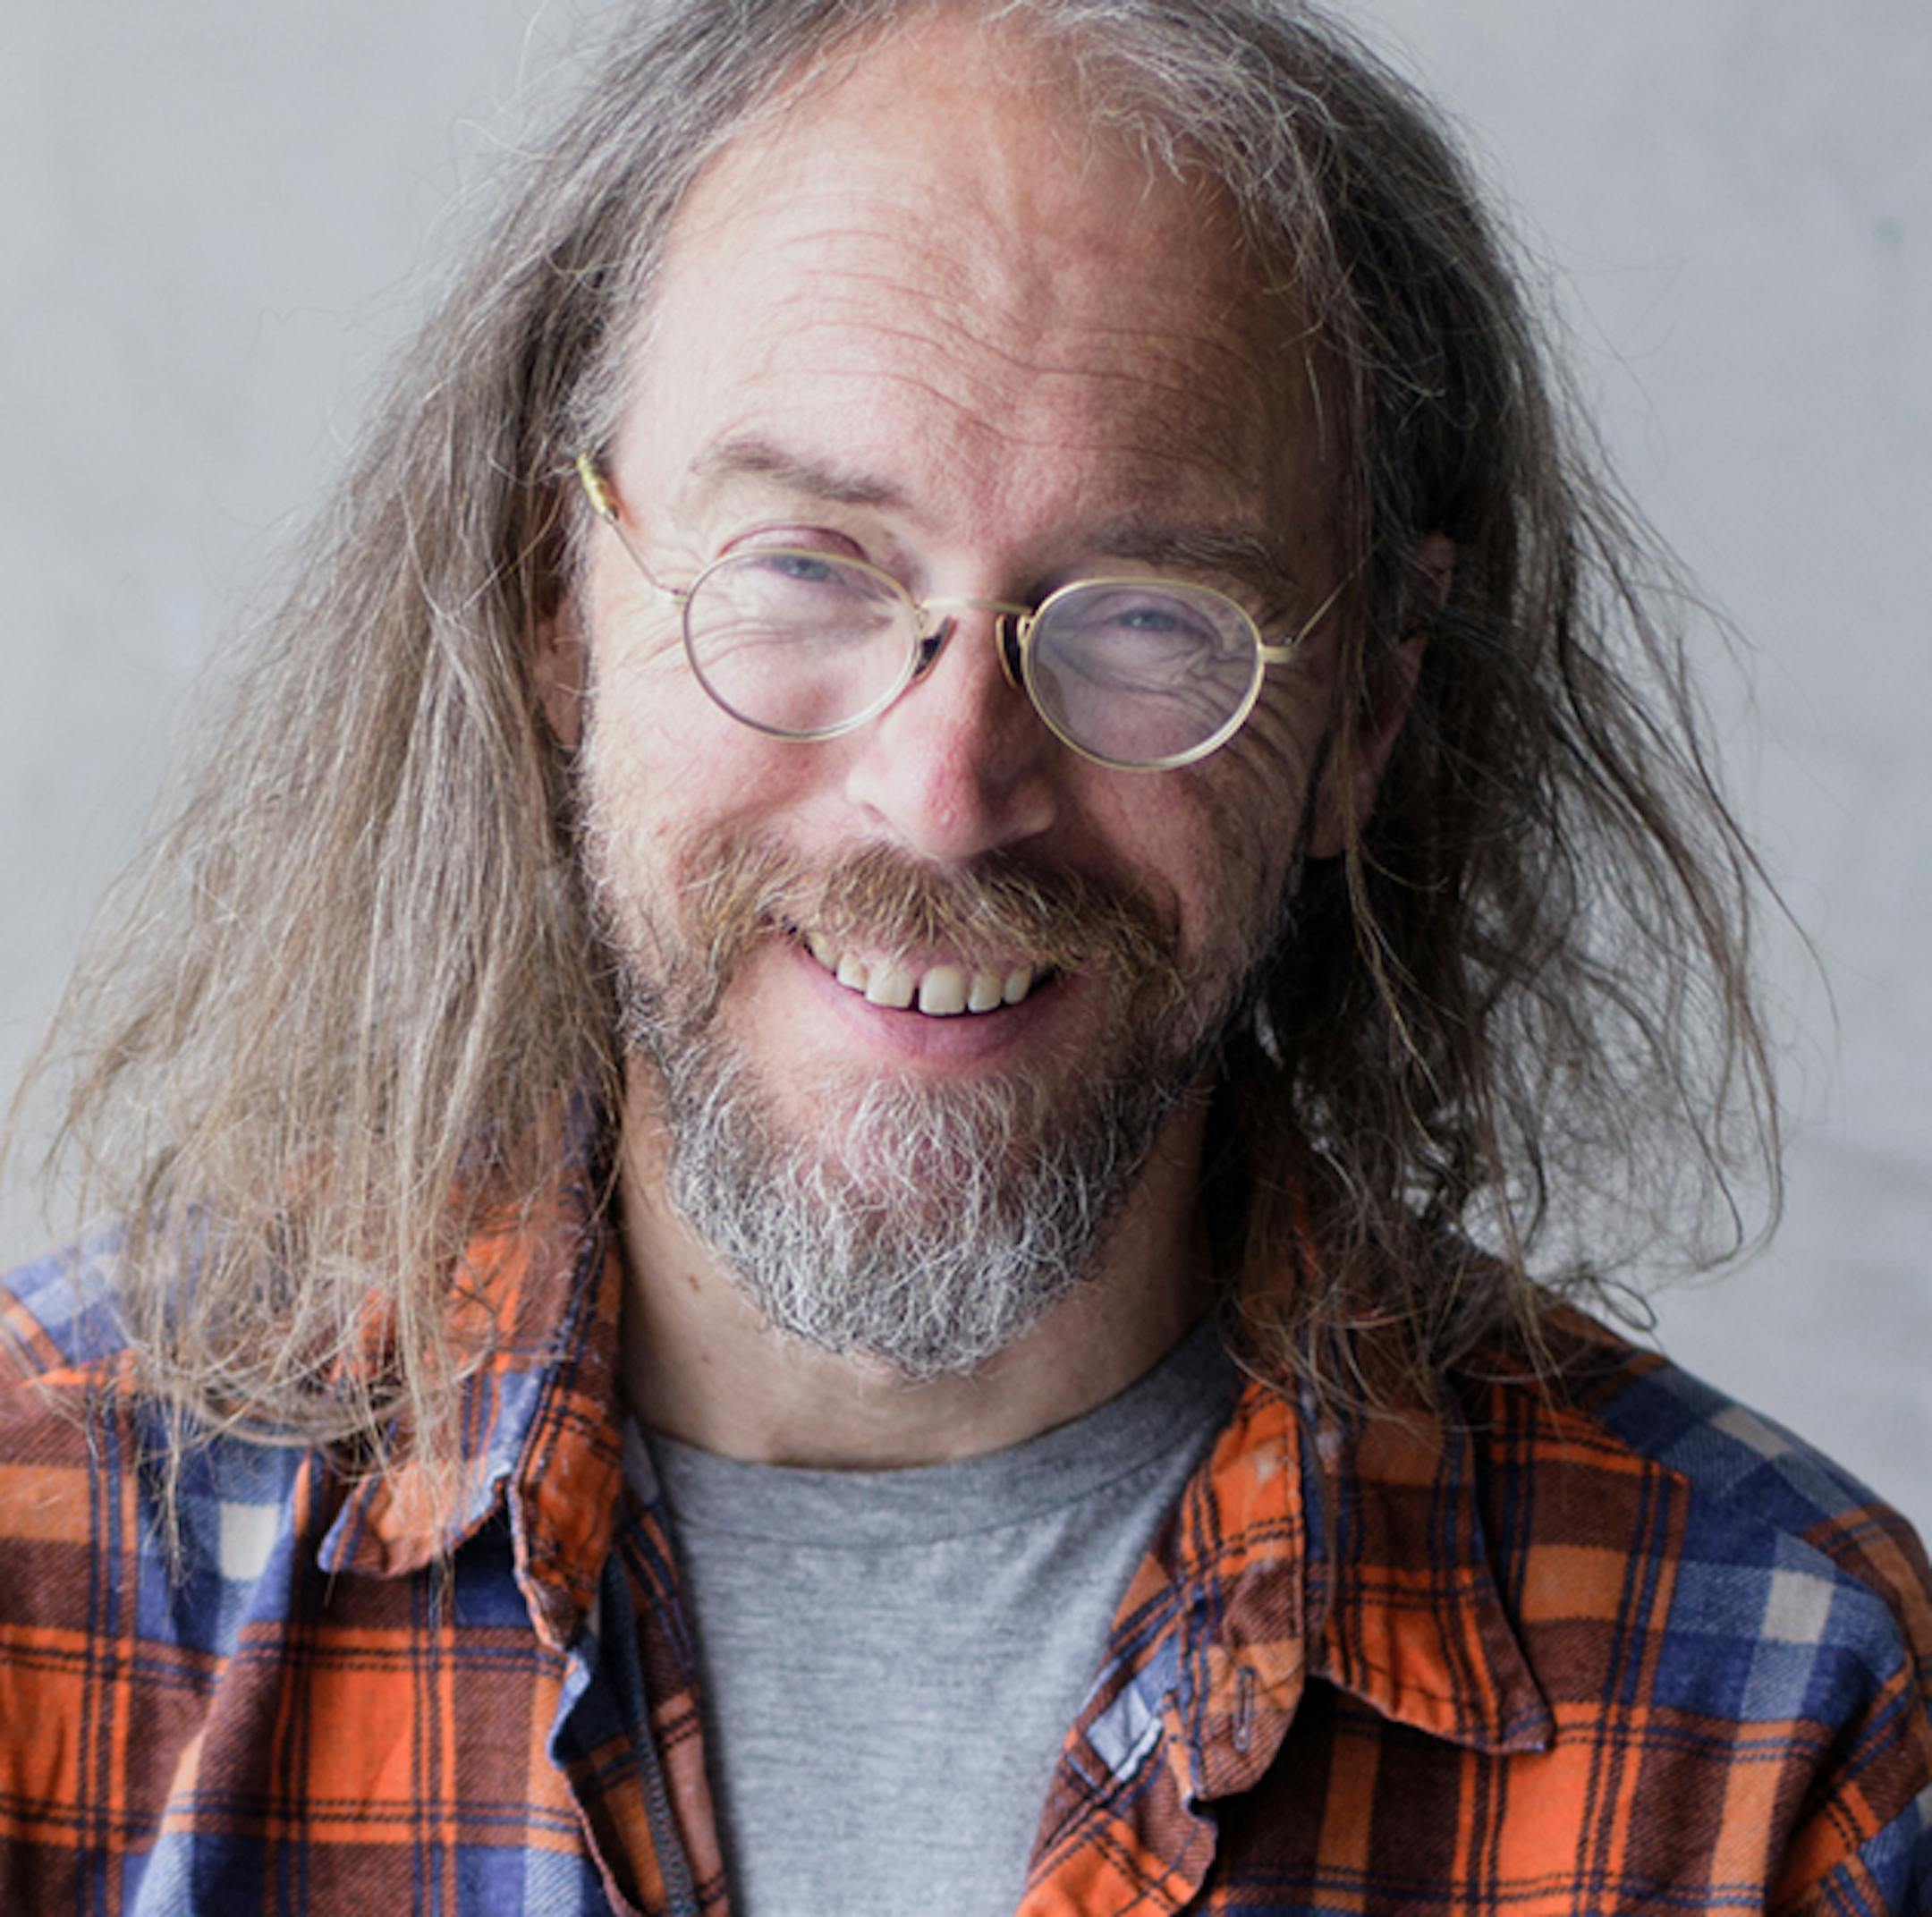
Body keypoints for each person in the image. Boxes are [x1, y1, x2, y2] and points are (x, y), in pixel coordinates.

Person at [2, 0, 1927, 1910]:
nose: (944, 794)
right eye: (803, 565)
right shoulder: (45, 1553)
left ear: (1363, 714)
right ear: (555, 603)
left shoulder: (1779, 1734)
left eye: (1150, 617)